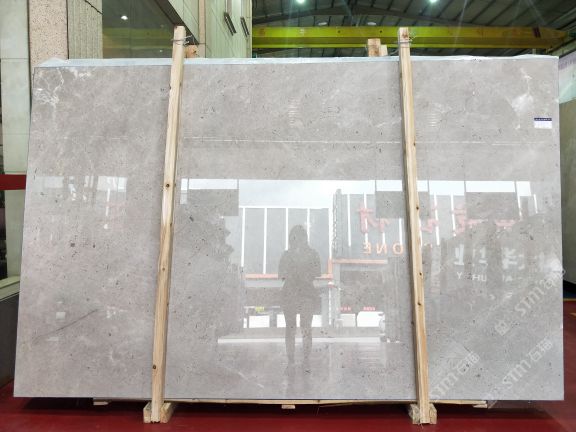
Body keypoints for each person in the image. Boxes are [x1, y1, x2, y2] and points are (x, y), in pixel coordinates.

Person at [278, 225, 321, 370]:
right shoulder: (313, 254)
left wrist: (293, 274)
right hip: (306, 293)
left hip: (291, 293)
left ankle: (291, 362)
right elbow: (317, 273)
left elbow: (281, 275)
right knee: (306, 328)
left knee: (291, 328)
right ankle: (305, 361)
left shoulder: (286, 255)